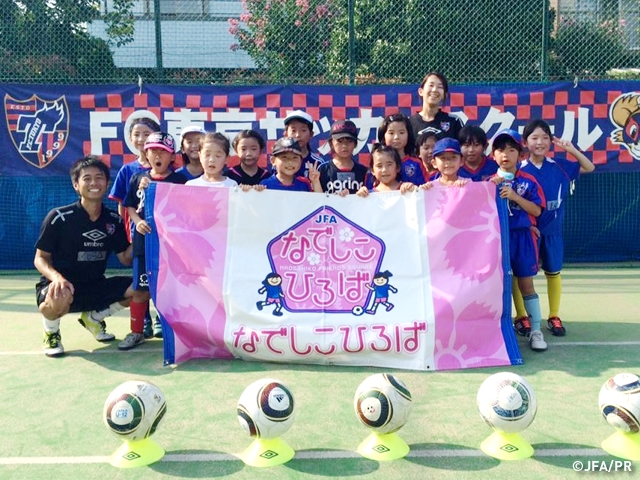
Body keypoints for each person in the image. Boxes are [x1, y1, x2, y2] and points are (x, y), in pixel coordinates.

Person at [34, 156, 134, 357]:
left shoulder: (112, 220)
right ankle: (51, 333)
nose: (94, 183)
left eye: (99, 178)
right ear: (76, 185)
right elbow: (40, 258)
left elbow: (125, 258)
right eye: (87, 178)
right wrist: (57, 279)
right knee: (60, 294)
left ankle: (94, 318)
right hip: (62, 287)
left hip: (95, 285)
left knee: (142, 287)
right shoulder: (59, 217)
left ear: (106, 183)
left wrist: (144, 234)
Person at [514, 119, 595, 337]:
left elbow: (589, 166)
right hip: (527, 233)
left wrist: (571, 149)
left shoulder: (559, 166)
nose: (539, 142)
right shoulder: (518, 169)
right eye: (534, 138)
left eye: (544, 137)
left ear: (551, 141)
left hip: (552, 233)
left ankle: (554, 315)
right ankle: (522, 316)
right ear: (525, 142)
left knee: (553, 273)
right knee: (521, 275)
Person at [120, 132, 187, 350]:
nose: (157, 155)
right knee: (140, 289)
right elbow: (129, 205)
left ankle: (173, 331)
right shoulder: (137, 178)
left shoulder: (179, 180)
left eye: (163, 152)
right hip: (144, 244)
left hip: (170, 246)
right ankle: (137, 331)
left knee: (169, 289)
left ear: (172, 156)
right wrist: (137, 220)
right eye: (153, 151)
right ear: (145, 153)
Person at [489, 129, 547, 352]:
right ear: (493, 155)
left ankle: (535, 330)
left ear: (520, 155)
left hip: (523, 239)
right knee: (496, 287)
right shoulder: (488, 183)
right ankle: (498, 331)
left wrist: (514, 197)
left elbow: (537, 210)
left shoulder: (529, 182)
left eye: (511, 149)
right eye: (501, 150)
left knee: (526, 285)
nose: (506, 154)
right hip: (496, 240)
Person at [108, 116, 161, 338]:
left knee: (161, 277)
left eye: (146, 134)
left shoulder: (167, 170)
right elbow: (123, 205)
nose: (141, 139)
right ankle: (144, 320)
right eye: (136, 134)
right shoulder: (128, 170)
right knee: (141, 278)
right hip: (138, 233)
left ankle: (160, 318)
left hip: (162, 235)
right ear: (130, 138)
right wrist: (130, 231)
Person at [409, 72, 464, 140]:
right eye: (431, 85)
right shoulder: (409, 123)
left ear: (445, 95)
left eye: (440, 87)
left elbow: (464, 147)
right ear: (421, 91)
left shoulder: (454, 121)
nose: (434, 90)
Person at [318, 120, 368, 194]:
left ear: (355, 144)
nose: (344, 146)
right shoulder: (323, 169)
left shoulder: (363, 171)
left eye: (349, 141)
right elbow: (316, 200)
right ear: (331, 143)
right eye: (340, 141)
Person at [377, 113, 426, 186]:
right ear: (383, 136)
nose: (396, 137)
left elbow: (424, 190)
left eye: (401, 132)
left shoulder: (416, 164)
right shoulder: (377, 164)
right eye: (391, 133)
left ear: (408, 135)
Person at [283, 110, 325, 178]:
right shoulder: (280, 160)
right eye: (293, 130)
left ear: (311, 134)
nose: (298, 135)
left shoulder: (318, 163)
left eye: (303, 130)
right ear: (286, 134)